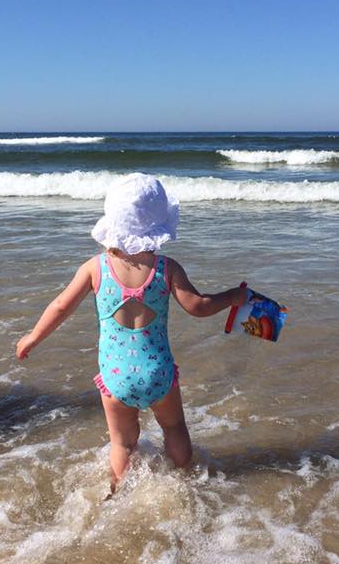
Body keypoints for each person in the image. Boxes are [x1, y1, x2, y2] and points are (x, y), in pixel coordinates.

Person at [16, 173, 246, 490]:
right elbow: (199, 306)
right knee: (175, 427)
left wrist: (32, 338)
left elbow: (60, 308)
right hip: (158, 373)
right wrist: (233, 296)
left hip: (115, 375)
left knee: (122, 443)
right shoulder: (167, 268)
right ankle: (185, 479)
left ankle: (118, 489)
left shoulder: (95, 267)